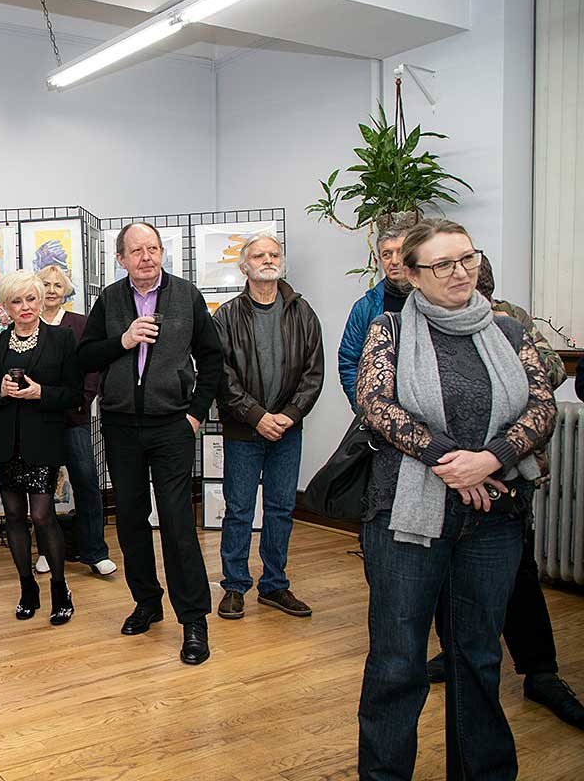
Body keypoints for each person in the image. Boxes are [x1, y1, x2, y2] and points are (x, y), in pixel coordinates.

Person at [355, 219, 556, 779]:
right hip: (406, 520)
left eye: (466, 258)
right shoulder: (390, 330)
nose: (459, 272)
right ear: (413, 275)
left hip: (494, 519)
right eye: (441, 264)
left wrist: (489, 459)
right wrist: (453, 461)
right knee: (397, 661)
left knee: (480, 657)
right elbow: (377, 405)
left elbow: (542, 407)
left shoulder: (510, 331)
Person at [423, 254, 584, 729]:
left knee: (519, 574)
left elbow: (550, 376)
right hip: (448, 471)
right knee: (445, 571)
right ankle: (454, 652)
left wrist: (499, 361)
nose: (459, 276)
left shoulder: (511, 320)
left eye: (467, 268)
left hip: (508, 471)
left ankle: (540, 671)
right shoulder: (421, 324)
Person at [78, 222, 224, 665]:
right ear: (120, 258)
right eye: (137, 251)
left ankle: (194, 620)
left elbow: (212, 358)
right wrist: (123, 340)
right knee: (130, 520)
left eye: (153, 248)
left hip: (171, 426)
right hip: (121, 425)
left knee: (178, 524)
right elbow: (85, 356)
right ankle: (147, 601)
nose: (146, 257)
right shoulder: (110, 299)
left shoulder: (186, 296)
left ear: (162, 253)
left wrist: (195, 413)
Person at [211, 235, 324, 620]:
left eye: (274, 254)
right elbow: (221, 376)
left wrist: (290, 415)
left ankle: (274, 585)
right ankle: (234, 585)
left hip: (287, 431)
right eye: (259, 255)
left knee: (281, 508)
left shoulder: (303, 313)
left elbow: (314, 372)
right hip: (244, 430)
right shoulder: (226, 317)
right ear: (244, 266)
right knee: (239, 510)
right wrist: (256, 415)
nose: (268, 260)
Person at [0, 270, 83, 625]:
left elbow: (75, 394)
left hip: (43, 442)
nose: (25, 307)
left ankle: (60, 589)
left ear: (41, 299)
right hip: (5, 445)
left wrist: (40, 393)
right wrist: (0, 391)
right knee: (14, 517)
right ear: (6, 307)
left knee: (43, 516)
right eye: (16, 301)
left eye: (30, 299)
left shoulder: (62, 338)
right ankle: (27, 588)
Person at [36, 265, 115, 577]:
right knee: (41, 487)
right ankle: (46, 551)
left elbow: (93, 367)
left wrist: (84, 399)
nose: (52, 290)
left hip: (74, 415)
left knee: (87, 481)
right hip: (38, 418)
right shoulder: (28, 322)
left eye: (58, 285)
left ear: (66, 290)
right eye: (45, 284)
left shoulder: (81, 323)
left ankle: (95, 552)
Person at [338, 224, 411, 409]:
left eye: (401, 252)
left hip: (425, 412)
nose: (394, 260)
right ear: (379, 260)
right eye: (387, 254)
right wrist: (365, 408)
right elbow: (349, 361)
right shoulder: (365, 307)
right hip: (380, 412)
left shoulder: (431, 301)